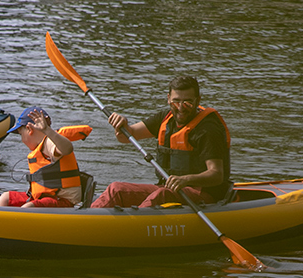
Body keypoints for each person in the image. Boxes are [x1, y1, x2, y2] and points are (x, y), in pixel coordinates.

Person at [90, 75, 231, 208]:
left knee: (162, 194)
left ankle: (132, 226)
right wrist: (122, 124)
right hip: (171, 189)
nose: (181, 108)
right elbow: (126, 136)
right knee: (117, 189)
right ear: (169, 99)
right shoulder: (165, 118)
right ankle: (90, 221)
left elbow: (217, 175)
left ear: (198, 101)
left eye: (187, 102)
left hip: (204, 196)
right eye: (176, 102)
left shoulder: (208, 129)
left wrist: (186, 180)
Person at [0, 107, 92, 208]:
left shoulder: (49, 143)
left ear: (29, 129)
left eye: (21, 134)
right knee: (6, 197)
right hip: (47, 197)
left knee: (28, 207)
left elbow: (67, 149)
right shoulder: (42, 146)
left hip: (64, 201)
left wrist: (47, 130)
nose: (22, 140)